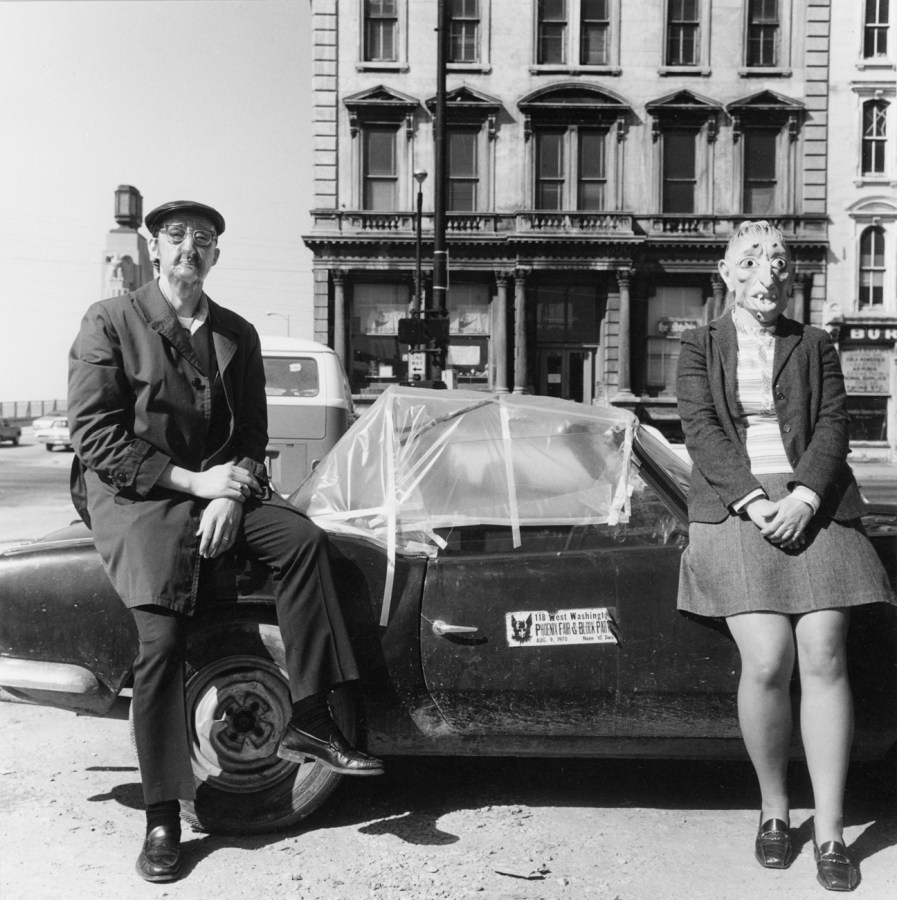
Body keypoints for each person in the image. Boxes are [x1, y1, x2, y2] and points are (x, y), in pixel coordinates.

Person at [68, 200, 383, 885]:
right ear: (156, 250)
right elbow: (94, 438)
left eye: (204, 240)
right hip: (140, 498)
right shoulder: (111, 321)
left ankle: (309, 717)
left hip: (218, 490)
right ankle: (161, 816)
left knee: (303, 542)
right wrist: (194, 484)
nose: (191, 248)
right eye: (177, 236)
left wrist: (234, 492)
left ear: (215, 256)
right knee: (162, 643)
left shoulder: (235, 331)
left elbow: (250, 439)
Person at [676, 220, 894, 893]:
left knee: (824, 651)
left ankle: (829, 828)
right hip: (733, 510)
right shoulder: (696, 345)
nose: (766, 273)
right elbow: (700, 431)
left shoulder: (815, 344)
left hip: (815, 503)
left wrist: (801, 496)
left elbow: (832, 424)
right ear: (727, 272)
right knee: (767, 658)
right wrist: (753, 500)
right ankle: (774, 811)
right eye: (752, 260)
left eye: (776, 262)